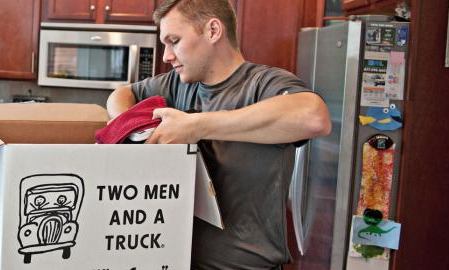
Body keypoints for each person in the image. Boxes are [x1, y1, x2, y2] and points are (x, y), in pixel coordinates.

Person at [106, 0, 331, 269]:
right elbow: (121, 94)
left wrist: (196, 126)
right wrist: (131, 127)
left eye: (174, 41)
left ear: (213, 31)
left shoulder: (263, 83)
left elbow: (314, 117)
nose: (166, 55)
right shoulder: (176, 84)